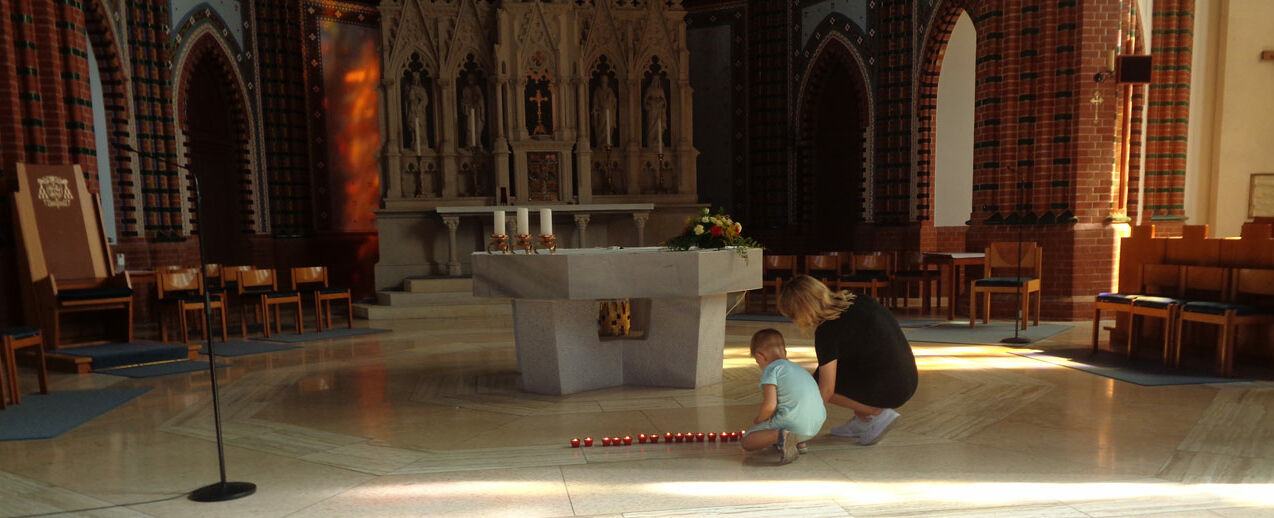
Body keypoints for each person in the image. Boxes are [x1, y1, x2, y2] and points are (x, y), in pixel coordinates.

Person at [778, 275, 918, 446]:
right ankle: (862, 421)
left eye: (793, 315)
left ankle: (876, 414)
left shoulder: (827, 330)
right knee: (839, 366)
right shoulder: (857, 299)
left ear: (803, 309)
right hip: (908, 378)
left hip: (892, 388)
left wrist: (798, 425)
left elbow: (826, 391)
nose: (795, 321)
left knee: (816, 384)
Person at [740, 328, 827, 464]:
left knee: (747, 440)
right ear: (785, 353)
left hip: (793, 424)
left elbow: (770, 406)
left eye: (758, 363)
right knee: (789, 411)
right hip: (815, 425)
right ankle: (799, 442)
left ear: (759, 356)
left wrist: (760, 420)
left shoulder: (772, 369)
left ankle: (782, 435)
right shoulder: (798, 368)